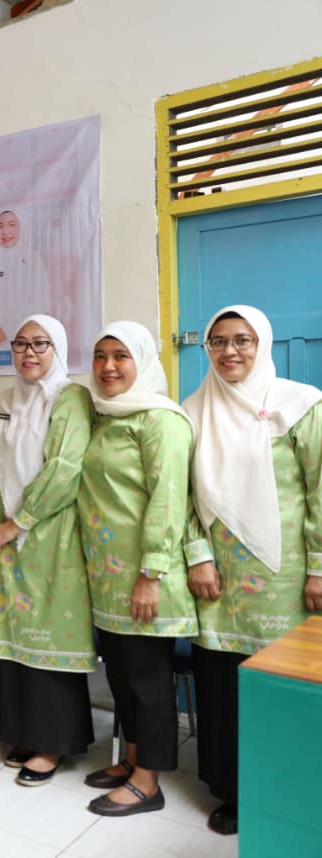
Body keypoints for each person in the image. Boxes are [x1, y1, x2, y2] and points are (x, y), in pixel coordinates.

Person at [182, 305, 322, 835]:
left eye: (242, 340)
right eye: (217, 341)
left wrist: (320, 567)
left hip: (288, 580)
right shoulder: (192, 411)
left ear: (262, 343)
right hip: (217, 581)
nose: (229, 351)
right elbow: (181, 496)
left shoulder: (301, 405)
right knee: (225, 688)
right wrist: (197, 555)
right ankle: (236, 792)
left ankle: (294, 789)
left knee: (283, 685)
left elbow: (321, 490)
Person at [76, 321, 202, 817]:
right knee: (123, 676)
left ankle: (148, 782)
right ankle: (131, 759)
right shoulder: (105, 415)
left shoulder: (161, 421)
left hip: (147, 577)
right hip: (108, 577)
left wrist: (150, 575)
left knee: (148, 681)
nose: (108, 367)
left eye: (121, 356)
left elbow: (168, 501)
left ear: (144, 361)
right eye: (100, 355)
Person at [0, 316, 96, 786]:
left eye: (40, 344)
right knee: (15, 636)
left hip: (51, 536)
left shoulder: (71, 398)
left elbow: (65, 468)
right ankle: (23, 732)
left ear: (57, 348)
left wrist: (18, 523)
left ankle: (53, 743)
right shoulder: (5, 399)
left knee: (50, 637)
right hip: (6, 537)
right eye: (21, 344)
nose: (28, 352)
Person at [0, 208, 55, 350]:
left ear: (22, 227)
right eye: (0, 226)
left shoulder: (34, 259)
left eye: (12, 225)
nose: (5, 231)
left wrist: (7, 331)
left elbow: (41, 303)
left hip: (24, 342)